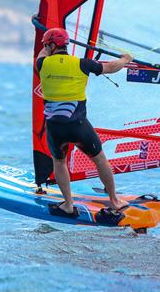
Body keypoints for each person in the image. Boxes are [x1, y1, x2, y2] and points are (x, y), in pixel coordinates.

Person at [35, 26, 133, 218]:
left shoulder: (42, 64)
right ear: (66, 45)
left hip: (55, 128)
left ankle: (68, 205)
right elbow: (111, 67)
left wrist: (42, 32)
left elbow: (42, 52)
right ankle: (114, 200)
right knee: (99, 159)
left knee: (59, 161)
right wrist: (125, 59)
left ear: (51, 45)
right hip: (78, 125)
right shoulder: (82, 64)